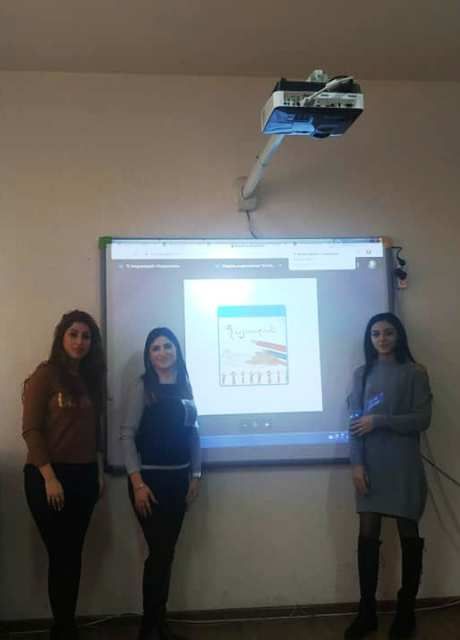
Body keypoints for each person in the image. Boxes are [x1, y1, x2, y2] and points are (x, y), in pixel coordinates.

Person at [344, 312, 432, 640]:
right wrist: (356, 464)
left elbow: (422, 419)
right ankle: (366, 611)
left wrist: (379, 420)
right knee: (367, 535)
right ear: (369, 339)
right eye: (376, 334)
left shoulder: (415, 373)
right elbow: (354, 423)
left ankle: (406, 611)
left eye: (388, 333)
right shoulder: (361, 374)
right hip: (369, 466)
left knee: (409, 533)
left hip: (404, 465)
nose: (382, 339)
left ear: (399, 336)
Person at [22, 310, 106, 640]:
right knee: (61, 555)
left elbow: (95, 432)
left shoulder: (92, 378)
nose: (79, 341)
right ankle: (63, 629)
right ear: (61, 337)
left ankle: (66, 625)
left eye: (86, 336)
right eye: (73, 334)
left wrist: (98, 471)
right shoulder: (45, 375)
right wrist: (49, 477)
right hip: (47, 478)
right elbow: (31, 430)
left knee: (72, 555)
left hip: (85, 477)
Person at [121, 327, 202, 640]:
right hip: (149, 483)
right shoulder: (142, 386)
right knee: (158, 552)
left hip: (178, 482)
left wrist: (196, 475)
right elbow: (127, 436)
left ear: (176, 350)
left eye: (168, 346)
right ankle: (149, 628)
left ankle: (160, 623)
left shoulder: (185, 385)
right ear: (149, 355)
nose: (162, 352)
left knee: (167, 554)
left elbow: (193, 434)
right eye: (155, 348)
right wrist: (138, 484)